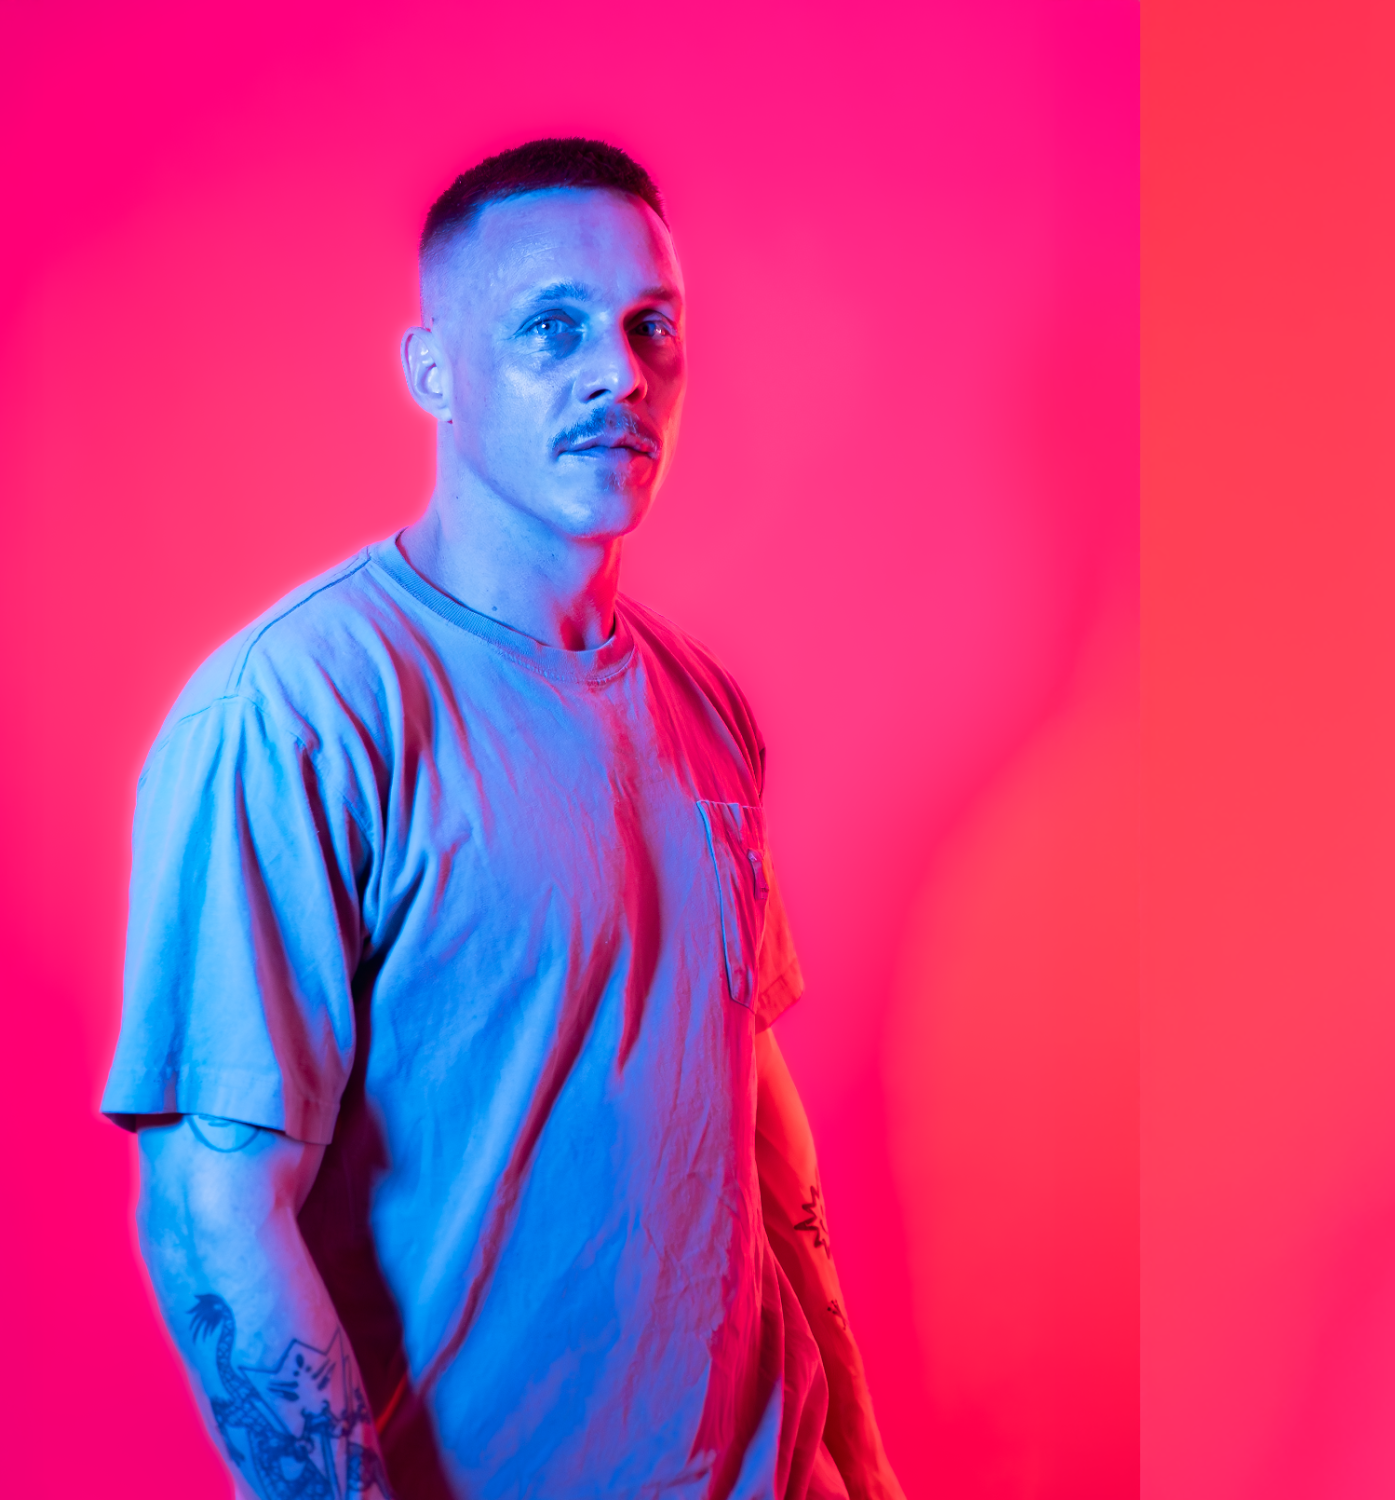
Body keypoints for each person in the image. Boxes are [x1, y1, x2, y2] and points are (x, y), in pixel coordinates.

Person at [101, 137, 906, 1500]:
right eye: (552, 329)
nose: (620, 372)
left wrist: (864, 1464)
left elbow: (752, 1107)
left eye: (654, 327)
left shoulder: (705, 706)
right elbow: (215, 1218)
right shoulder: (299, 714)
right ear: (434, 374)